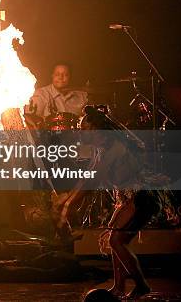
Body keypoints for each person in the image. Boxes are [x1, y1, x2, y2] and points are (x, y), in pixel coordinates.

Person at [60, 106, 159, 299]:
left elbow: (92, 180)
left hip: (141, 198)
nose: (81, 132)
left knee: (116, 240)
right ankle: (119, 286)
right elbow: (86, 177)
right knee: (114, 240)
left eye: (85, 128)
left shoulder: (114, 148)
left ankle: (141, 285)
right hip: (127, 200)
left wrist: (69, 205)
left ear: (96, 130)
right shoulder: (101, 149)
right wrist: (67, 201)